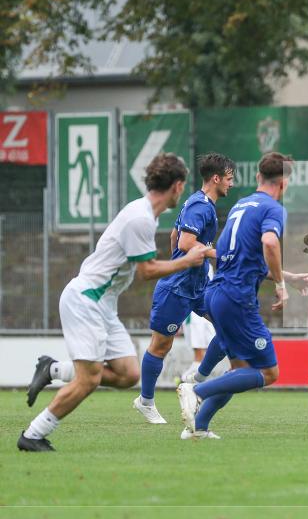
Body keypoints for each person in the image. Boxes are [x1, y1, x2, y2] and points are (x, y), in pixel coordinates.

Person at [20, 154, 208, 452]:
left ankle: (53, 369)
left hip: (103, 304)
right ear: (177, 185)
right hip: (86, 300)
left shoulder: (145, 214)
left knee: (128, 374)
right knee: (89, 379)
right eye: (182, 186)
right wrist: (187, 261)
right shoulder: (140, 218)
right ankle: (33, 433)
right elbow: (147, 271)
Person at [176, 152, 308, 440]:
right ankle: (196, 389)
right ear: (284, 183)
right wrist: (279, 284)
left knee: (239, 369)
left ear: (257, 177)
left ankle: (198, 428)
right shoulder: (273, 208)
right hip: (237, 298)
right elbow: (269, 243)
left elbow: (237, 257)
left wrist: (286, 277)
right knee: (268, 372)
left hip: (216, 292)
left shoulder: (241, 205)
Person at [134, 153, 234, 424]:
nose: (231, 184)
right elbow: (187, 243)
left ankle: (196, 378)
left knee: (229, 325)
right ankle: (145, 401)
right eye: (229, 178)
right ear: (216, 179)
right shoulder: (200, 206)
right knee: (161, 346)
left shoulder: (201, 204)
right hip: (177, 289)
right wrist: (219, 254)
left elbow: (174, 236)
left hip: (200, 285)